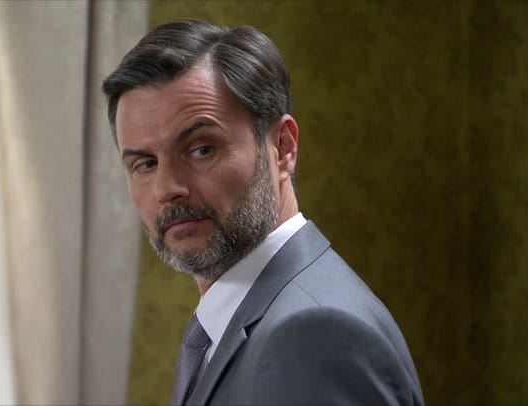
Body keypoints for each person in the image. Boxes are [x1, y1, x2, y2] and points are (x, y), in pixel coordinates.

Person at [102, 19, 424, 405]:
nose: (167, 188)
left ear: (283, 148)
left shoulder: (314, 335)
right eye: (145, 164)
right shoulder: (248, 322)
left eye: (201, 149)